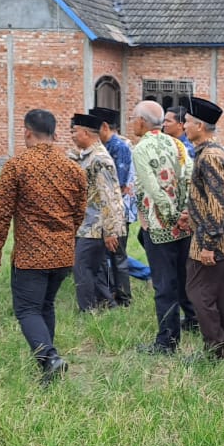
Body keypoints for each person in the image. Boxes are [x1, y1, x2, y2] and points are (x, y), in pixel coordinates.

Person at [0, 109, 87, 384]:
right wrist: (64, 236)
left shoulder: (17, 166)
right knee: (45, 305)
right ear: (54, 134)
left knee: (27, 310)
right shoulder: (74, 169)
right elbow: (80, 212)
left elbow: (2, 211)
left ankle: (50, 358)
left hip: (31, 254)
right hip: (64, 252)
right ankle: (48, 368)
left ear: (27, 131)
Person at [130, 100, 196, 355]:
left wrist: (169, 214)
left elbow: (152, 187)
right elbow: (190, 179)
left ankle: (167, 341)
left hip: (159, 226)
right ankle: (186, 324)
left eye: (134, 117)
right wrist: (184, 213)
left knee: (164, 285)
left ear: (142, 122)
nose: (133, 122)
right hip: (183, 225)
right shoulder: (176, 142)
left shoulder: (142, 148)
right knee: (181, 279)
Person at [181, 97, 224, 360]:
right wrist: (189, 213)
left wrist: (208, 245)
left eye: (187, 122)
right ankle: (218, 349)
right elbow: (206, 197)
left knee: (199, 293)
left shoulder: (210, 156)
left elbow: (218, 203)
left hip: (212, 238)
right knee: (215, 295)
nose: (184, 126)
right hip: (210, 232)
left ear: (200, 126)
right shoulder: (207, 152)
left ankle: (214, 349)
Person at [70, 112, 126, 312]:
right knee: (98, 268)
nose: (72, 136)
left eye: (75, 132)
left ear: (86, 132)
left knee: (82, 267)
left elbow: (109, 195)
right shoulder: (88, 155)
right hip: (87, 224)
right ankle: (108, 305)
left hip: (95, 226)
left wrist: (111, 230)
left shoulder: (100, 159)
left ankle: (88, 310)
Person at [89, 107, 136, 307]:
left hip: (117, 211)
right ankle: (109, 294)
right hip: (104, 210)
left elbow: (120, 184)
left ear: (105, 127)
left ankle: (124, 297)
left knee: (117, 255)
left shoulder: (119, 147)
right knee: (105, 255)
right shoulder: (105, 146)